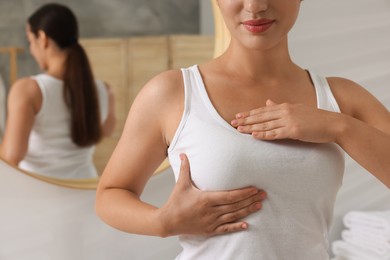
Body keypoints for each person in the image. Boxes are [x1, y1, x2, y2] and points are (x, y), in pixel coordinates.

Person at [95, 0, 390, 259]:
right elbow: (111, 193)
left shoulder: (341, 98)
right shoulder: (173, 93)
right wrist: (162, 222)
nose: (255, 6)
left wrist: (337, 126)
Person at [0, 3, 116, 179]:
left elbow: (11, 156)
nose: (31, 49)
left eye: (30, 41)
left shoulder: (29, 90)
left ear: (42, 37)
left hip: (41, 195)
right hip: (85, 190)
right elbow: (106, 131)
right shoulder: (104, 90)